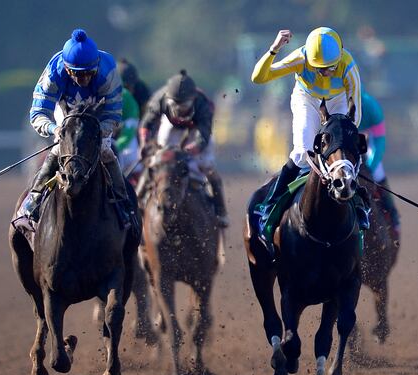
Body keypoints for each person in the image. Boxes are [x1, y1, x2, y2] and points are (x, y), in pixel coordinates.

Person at [250, 27, 367, 244]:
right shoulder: (300, 58)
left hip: (337, 100)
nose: (325, 73)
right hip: (307, 98)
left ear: (339, 59)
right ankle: (269, 208)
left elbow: (355, 115)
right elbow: (258, 77)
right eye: (319, 69)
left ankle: (360, 208)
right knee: (302, 154)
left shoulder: (348, 65)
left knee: (344, 153)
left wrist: (338, 132)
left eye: (329, 69)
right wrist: (274, 49)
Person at [20, 29, 128, 224]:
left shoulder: (107, 69)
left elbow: (113, 114)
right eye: (77, 75)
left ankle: (123, 203)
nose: (83, 80)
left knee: (105, 150)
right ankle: (34, 200)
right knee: (57, 148)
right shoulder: (54, 72)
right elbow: (38, 113)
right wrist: (55, 130)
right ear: (67, 69)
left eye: (88, 74)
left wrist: (97, 132)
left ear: (96, 67)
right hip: (66, 112)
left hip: (97, 115)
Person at [138, 70, 228, 227]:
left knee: (206, 166)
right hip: (170, 126)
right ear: (168, 99)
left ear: (193, 100)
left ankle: (221, 210)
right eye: (175, 105)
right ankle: (138, 201)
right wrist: (145, 144)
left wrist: (186, 151)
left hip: (196, 130)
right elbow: (146, 125)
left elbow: (203, 138)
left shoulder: (203, 104)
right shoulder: (159, 99)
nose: (180, 110)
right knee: (156, 162)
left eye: (184, 105)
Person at [360, 91, 399, 238]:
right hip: (344, 143)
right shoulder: (334, 99)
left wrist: (369, 167)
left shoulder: (371, 106)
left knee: (377, 173)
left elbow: (379, 141)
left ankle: (393, 216)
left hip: (367, 142)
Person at [114, 87, 140, 177]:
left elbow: (129, 132)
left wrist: (117, 147)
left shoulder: (125, 96)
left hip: (125, 134)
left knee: (130, 156)